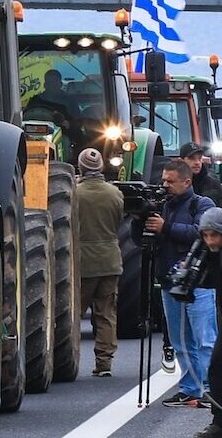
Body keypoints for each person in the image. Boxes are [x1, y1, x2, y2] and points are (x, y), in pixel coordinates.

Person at [132, 158, 217, 407]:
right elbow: (142, 241)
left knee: (206, 340)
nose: (165, 185)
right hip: (170, 282)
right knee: (180, 342)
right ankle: (191, 388)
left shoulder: (202, 204)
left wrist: (166, 227)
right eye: (163, 180)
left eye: (171, 181)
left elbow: (200, 234)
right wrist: (140, 220)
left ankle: (212, 389)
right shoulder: (161, 205)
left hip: (198, 283)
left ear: (186, 181)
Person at [72, 148, 125, 377]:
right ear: (101, 167)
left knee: (74, 314)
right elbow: (118, 222)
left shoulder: (75, 193)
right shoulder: (115, 193)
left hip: (83, 261)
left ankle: (68, 360)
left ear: (80, 167)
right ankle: (104, 363)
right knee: (106, 313)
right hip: (110, 260)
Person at [193, 208, 222, 438]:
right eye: (206, 235)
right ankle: (219, 422)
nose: (210, 240)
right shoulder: (210, 252)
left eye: (215, 235)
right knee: (216, 367)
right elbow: (209, 281)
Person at [182, 142, 222, 206]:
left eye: (199, 158)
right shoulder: (173, 183)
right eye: (192, 158)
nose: (197, 162)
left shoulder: (213, 184)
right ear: (181, 161)